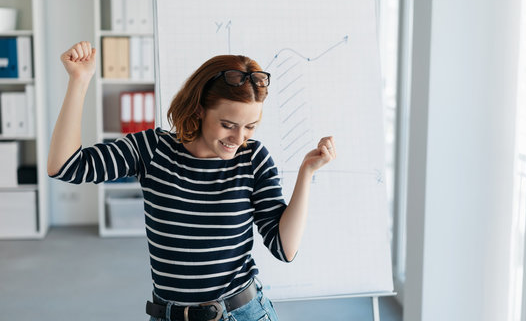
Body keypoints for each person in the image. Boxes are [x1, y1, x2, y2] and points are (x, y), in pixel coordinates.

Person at [48, 41, 336, 321]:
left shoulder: (253, 158)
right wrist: (79, 80)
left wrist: (306, 173)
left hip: (241, 313)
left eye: (250, 126)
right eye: (227, 125)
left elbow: (284, 248)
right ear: (199, 109)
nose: (238, 139)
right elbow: (66, 166)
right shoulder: (153, 150)